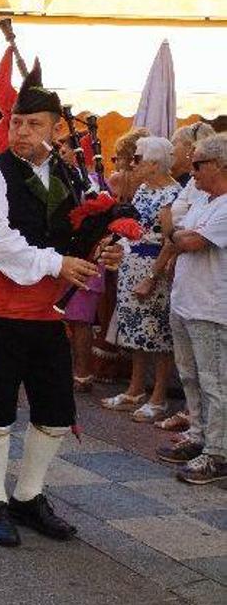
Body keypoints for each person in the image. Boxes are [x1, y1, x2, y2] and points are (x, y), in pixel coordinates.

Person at [0, 67, 121, 548]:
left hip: (47, 312)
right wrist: (58, 262)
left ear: (55, 128)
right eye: (16, 123)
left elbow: (78, 234)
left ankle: (29, 495)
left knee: (54, 409)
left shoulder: (71, 175)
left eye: (33, 124)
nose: (22, 132)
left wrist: (103, 249)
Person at [156, 133, 227, 484]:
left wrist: (174, 234)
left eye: (198, 163)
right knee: (190, 376)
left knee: (215, 381)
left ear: (220, 165)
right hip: (186, 302)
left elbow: (190, 239)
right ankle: (199, 436)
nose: (192, 170)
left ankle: (218, 453)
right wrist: (176, 235)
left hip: (212, 307)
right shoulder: (203, 199)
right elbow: (179, 235)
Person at [100, 137, 181, 422]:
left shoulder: (173, 195)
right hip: (131, 264)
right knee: (134, 330)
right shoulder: (144, 190)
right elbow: (133, 226)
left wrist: (151, 277)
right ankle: (135, 390)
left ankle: (158, 398)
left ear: (154, 164)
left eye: (137, 159)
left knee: (158, 334)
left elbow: (170, 242)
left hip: (155, 268)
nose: (132, 164)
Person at [169, 122, 215, 187]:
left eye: (174, 144)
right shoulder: (189, 180)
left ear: (189, 146)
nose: (171, 151)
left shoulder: (200, 180)